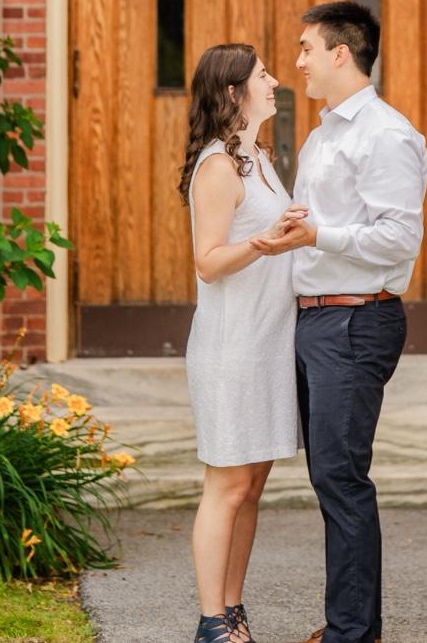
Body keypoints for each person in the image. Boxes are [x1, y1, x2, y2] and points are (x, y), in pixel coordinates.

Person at [250, 1, 427, 643]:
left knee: (340, 476)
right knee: (332, 475)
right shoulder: (326, 133)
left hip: (356, 322)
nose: (296, 62)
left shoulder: (385, 135)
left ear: (340, 54)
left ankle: (351, 634)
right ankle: (354, 627)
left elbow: (400, 239)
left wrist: (315, 236)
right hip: (317, 322)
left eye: (304, 49)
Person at [181, 43, 306, 643]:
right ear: (233, 92)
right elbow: (207, 263)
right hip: (231, 349)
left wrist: (282, 230)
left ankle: (234, 611)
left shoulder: (256, 155)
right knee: (226, 486)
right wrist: (266, 244)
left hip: (266, 343)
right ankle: (211, 622)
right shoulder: (217, 167)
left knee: (252, 483)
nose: (276, 81)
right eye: (263, 76)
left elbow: (260, 232)